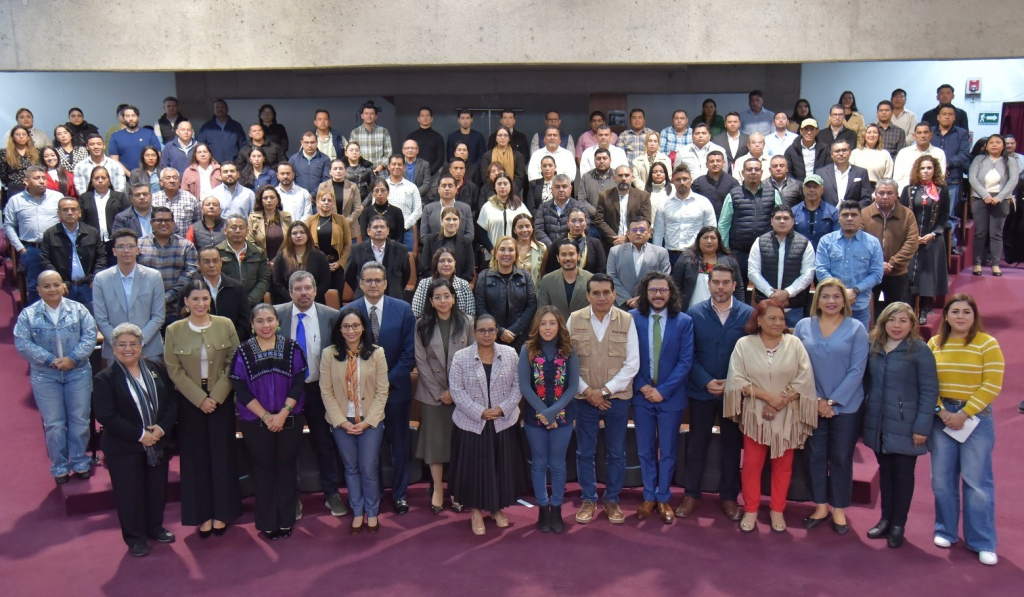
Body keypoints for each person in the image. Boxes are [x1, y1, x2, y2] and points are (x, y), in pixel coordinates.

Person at [725, 298, 817, 534]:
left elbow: (804, 378)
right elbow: (737, 380)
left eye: (781, 319)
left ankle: (777, 510)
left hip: (787, 414)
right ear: (759, 321)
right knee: (751, 466)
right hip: (755, 415)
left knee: (783, 467)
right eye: (772, 318)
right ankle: (751, 510)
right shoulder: (744, 344)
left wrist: (778, 403)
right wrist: (767, 397)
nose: (778, 323)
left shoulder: (794, 343)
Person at [928, 294, 1003, 566]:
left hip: (976, 419)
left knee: (976, 481)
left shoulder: (987, 344)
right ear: (946, 316)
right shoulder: (934, 344)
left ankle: (982, 541)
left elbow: (992, 384)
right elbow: (927, 383)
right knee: (941, 479)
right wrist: (941, 411)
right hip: (942, 417)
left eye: (966, 312)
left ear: (974, 316)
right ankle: (945, 530)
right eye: (955, 311)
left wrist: (964, 413)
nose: (960, 316)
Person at [92, 322, 178, 557]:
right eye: (122, 345)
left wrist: (161, 428)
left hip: (158, 442)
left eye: (133, 344)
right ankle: (135, 538)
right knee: (129, 496)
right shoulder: (104, 378)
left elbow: (172, 400)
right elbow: (106, 416)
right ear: (113, 347)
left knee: (156, 490)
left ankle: (155, 527)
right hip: (125, 447)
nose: (128, 349)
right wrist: (141, 435)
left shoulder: (156, 367)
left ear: (142, 346)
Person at [163, 280, 242, 538]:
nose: (200, 304)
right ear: (186, 301)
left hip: (221, 399)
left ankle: (223, 513)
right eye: (195, 299)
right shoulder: (174, 330)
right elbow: (174, 370)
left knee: (222, 456)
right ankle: (201, 515)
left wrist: (216, 396)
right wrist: (199, 399)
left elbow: (234, 361)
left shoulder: (225, 324)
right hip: (190, 402)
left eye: (205, 298)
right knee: (195, 459)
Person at [793, 278, 869, 534]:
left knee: (840, 457)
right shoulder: (803, 326)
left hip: (846, 406)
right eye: (825, 296)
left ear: (844, 301)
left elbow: (857, 370)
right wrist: (817, 400)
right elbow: (798, 366)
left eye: (837, 296)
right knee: (815, 456)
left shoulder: (857, 328)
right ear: (817, 300)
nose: (831, 301)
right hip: (812, 403)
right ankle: (821, 506)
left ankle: (839, 508)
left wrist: (832, 402)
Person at [679, 264, 753, 520]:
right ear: (708, 284)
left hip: (734, 394)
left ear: (734, 285)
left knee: (731, 447)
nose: (720, 287)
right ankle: (691, 494)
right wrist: (705, 380)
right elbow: (688, 353)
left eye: (726, 282)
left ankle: (729, 497)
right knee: (696, 445)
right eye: (716, 282)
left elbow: (751, 355)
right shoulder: (694, 313)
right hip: (701, 391)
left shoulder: (748, 314)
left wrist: (732, 382)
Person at [863, 302, 938, 548]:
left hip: (908, 426)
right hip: (879, 424)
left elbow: (929, 391)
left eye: (903, 321)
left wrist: (922, 427)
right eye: (892, 320)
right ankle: (885, 519)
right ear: (883, 322)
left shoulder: (919, 350)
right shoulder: (874, 346)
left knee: (903, 476)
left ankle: (898, 524)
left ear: (912, 324)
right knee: (885, 474)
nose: (897, 325)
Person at [229, 303, 306, 540]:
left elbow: (299, 382)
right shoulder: (242, 352)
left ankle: (286, 520)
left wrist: (282, 414)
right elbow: (240, 388)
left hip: (289, 418)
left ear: (277, 322)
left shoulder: (292, 348)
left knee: (286, 468)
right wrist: (265, 416)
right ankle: (268, 521)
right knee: (263, 470)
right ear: (252, 325)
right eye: (260, 321)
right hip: (256, 420)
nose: (266, 325)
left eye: (270, 320)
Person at [568, 274, 639, 525]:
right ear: (588, 296)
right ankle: (588, 499)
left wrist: (604, 392)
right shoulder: (574, 319)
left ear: (614, 294)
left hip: (616, 399)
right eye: (596, 293)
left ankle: (611, 500)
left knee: (616, 452)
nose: (601, 297)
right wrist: (589, 392)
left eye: (606, 292)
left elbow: (632, 364)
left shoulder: (627, 320)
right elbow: (567, 361)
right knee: (584, 452)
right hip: (583, 398)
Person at [14, 270, 97, 483]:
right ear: (38, 289)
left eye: (56, 284)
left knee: (80, 419)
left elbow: (90, 336)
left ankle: (80, 461)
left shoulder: (78, 309)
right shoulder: (28, 315)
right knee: (54, 423)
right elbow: (22, 343)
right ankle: (59, 466)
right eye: (47, 286)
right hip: (45, 376)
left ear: (63, 286)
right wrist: (51, 360)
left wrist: (73, 358)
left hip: (77, 372)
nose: (52, 289)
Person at [275, 271, 346, 517]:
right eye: (298, 289)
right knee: (289, 447)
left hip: (319, 390)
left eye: (308, 288)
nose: (303, 293)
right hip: (286, 393)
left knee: (324, 444)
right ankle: (292, 497)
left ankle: (332, 494)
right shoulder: (276, 315)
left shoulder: (332, 316)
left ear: (315, 290)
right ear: (290, 292)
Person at [350, 262, 417, 515]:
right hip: (363, 394)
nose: (373, 285)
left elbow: (410, 352)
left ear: (386, 283)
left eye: (378, 280)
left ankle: (400, 495)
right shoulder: (348, 312)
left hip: (396, 390)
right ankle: (374, 493)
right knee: (371, 448)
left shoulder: (403, 309)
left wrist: (386, 382)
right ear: (360, 283)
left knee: (399, 445)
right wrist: (370, 386)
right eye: (368, 280)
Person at [630, 273, 693, 524]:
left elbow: (685, 361)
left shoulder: (684, 321)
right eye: (653, 290)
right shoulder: (632, 319)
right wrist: (643, 386)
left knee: (667, 450)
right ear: (645, 293)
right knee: (645, 450)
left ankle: (664, 497)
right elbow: (626, 357)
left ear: (671, 292)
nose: (658, 295)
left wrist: (663, 391)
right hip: (642, 396)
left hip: (671, 398)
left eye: (663, 290)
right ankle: (649, 496)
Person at [319, 307, 389, 533]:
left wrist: (368, 422)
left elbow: (382, 391)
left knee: (368, 468)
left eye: (355, 326)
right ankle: (357, 511)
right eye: (346, 326)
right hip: (342, 421)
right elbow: (326, 391)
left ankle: (372, 511)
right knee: (351, 468)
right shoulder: (329, 354)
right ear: (339, 329)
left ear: (363, 328)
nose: (351, 330)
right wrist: (342, 422)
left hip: (370, 420)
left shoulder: (377, 353)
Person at [414, 278, 475, 514]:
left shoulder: (466, 322)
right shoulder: (421, 324)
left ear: (454, 298)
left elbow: (472, 358)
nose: (443, 301)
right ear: (431, 301)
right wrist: (440, 392)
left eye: (446, 296)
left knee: (459, 444)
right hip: (433, 395)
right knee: (435, 444)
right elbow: (421, 361)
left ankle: (457, 489)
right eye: (437, 297)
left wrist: (455, 391)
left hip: (461, 394)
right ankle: (438, 489)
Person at [518, 306, 579, 533]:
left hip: (563, 417)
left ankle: (557, 509)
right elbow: (525, 386)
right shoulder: (527, 349)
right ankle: (543, 509)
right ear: (537, 326)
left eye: (552, 323)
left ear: (559, 325)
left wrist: (552, 412)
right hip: (535, 417)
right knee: (539, 463)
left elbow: (573, 386)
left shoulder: (569, 349)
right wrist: (544, 413)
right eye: (543, 323)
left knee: (558, 464)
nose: (547, 328)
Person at [93, 228, 165, 359]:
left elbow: (158, 316)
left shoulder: (154, 276)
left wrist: (138, 343)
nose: (126, 250)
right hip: (115, 351)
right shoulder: (101, 279)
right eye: (121, 246)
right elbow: (101, 320)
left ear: (137, 250)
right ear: (114, 251)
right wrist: (121, 345)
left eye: (131, 246)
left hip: (149, 350)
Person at [815, 201, 885, 328]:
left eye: (854, 215)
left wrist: (855, 290)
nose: (849, 218)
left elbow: (876, 274)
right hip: (831, 306)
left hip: (859, 307)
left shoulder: (873, 243)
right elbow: (821, 270)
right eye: (845, 215)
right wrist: (840, 292)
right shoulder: (826, 241)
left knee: (859, 340)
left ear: (861, 218)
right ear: (838, 218)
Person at [3, 167, 65, 304]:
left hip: (56, 248)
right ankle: (37, 316)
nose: (41, 181)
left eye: (43, 178)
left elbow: (67, 220)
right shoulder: (15, 200)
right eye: (36, 178)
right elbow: (8, 225)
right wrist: (20, 248)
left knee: (59, 284)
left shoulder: (57, 197)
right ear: (26, 181)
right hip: (31, 249)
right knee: (34, 287)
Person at [747, 205, 815, 328]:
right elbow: (753, 272)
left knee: (793, 339)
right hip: (765, 306)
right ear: (771, 221)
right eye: (778, 218)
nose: (782, 221)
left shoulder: (805, 243)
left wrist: (787, 293)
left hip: (793, 308)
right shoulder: (759, 242)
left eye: (786, 218)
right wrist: (772, 295)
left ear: (793, 221)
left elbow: (808, 274)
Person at [718, 158, 781, 289]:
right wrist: (725, 251)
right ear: (743, 173)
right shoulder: (733, 194)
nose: (753, 172)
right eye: (749, 169)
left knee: (767, 290)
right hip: (739, 253)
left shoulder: (773, 193)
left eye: (756, 169)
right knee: (737, 289)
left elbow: (781, 220)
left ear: (762, 172)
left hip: (766, 252)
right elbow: (724, 224)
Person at [861, 179, 920, 318]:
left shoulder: (907, 214)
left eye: (889, 193)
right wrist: (877, 265)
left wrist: (892, 263)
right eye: (881, 193)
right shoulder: (864, 214)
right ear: (875, 194)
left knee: (897, 313)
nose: (885, 196)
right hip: (869, 273)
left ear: (897, 195)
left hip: (897, 273)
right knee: (869, 314)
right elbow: (860, 242)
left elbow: (911, 243)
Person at [901, 155, 950, 322]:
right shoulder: (908, 190)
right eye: (922, 168)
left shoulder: (942, 190)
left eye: (929, 168)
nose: (926, 171)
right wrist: (913, 235)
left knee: (928, 273)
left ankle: (924, 309)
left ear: (934, 170)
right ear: (917, 170)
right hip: (911, 237)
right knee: (910, 272)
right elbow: (902, 214)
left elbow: (944, 216)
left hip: (932, 238)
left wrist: (934, 233)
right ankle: (907, 308)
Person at [39, 197, 105, 312]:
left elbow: (101, 256)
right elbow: (45, 260)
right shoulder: (50, 234)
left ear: (79, 213)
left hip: (88, 286)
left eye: (73, 209)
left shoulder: (92, 232)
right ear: (59, 214)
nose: (70, 213)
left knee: (92, 319)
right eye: (65, 210)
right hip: (64, 288)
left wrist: (96, 277)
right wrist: (58, 282)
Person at [137, 207, 199, 328]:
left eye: (167, 220)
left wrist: (165, 298)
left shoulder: (186, 246)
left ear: (173, 222)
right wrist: (152, 300)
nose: (163, 223)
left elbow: (190, 275)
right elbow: (135, 275)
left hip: (177, 310)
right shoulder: (139, 245)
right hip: (144, 309)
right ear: (152, 222)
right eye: (159, 220)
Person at [474, 236, 538, 353]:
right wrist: (499, 331)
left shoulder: (525, 276)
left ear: (516, 254)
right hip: (492, 338)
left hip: (521, 338)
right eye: (502, 249)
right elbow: (480, 307)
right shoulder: (484, 276)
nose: (506, 253)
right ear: (495, 254)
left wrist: (514, 330)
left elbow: (531, 305)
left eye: (511, 250)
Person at [968, 134, 1020, 276]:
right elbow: (972, 178)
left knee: (996, 234)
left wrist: (999, 197)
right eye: (991, 142)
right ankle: (977, 263)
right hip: (980, 199)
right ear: (986, 146)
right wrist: (985, 196)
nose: (994, 145)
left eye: (998, 142)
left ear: (1003, 145)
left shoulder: (1010, 161)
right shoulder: (979, 159)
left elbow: (1013, 180)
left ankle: (995, 264)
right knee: (980, 233)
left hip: (1001, 200)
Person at [654, 164, 716, 264]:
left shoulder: (704, 203)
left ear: (691, 180)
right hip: (671, 255)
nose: (682, 182)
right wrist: (656, 257)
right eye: (678, 180)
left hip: (696, 254)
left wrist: (709, 256)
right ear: (673, 181)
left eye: (685, 179)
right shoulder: (664, 204)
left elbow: (711, 231)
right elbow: (658, 233)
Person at [607, 214, 670, 308]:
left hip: (650, 304)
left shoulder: (661, 253)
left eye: (642, 230)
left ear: (649, 232)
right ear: (628, 233)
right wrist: (627, 299)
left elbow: (664, 279)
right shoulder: (615, 251)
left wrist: (642, 298)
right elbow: (611, 277)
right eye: (634, 230)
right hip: (621, 304)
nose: (638, 233)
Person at [672, 226, 744, 309]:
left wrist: (739, 309)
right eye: (705, 238)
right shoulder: (686, 258)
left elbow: (739, 287)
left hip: (722, 311)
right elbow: (675, 285)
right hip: (691, 310)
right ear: (698, 240)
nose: (709, 241)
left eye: (713, 238)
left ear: (718, 241)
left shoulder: (729, 261)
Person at [346, 214, 411, 301]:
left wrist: (395, 288)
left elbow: (406, 275)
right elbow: (349, 275)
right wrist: (360, 288)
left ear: (388, 231)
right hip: (364, 297)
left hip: (393, 297)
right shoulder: (356, 249)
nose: (379, 230)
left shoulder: (401, 250)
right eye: (375, 227)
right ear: (368, 231)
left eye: (382, 227)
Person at [194, 244, 249, 341]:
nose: (211, 265)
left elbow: (244, 320)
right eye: (206, 261)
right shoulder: (191, 290)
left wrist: (232, 340)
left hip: (232, 342)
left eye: (215, 261)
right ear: (198, 264)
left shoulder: (236, 288)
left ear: (221, 262)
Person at [216, 215, 272, 306]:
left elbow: (264, 279)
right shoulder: (217, 252)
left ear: (247, 231)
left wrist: (249, 301)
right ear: (225, 231)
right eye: (233, 227)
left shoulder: (258, 252)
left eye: (241, 228)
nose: (238, 231)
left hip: (253, 304)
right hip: (225, 302)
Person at [307, 189, 353, 298]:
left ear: (333, 203)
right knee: (318, 297)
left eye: (329, 200)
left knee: (336, 298)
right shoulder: (310, 221)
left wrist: (339, 263)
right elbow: (307, 245)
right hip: (318, 265)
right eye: (323, 200)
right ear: (317, 202)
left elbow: (348, 244)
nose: (326, 202)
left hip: (337, 265)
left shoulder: (341, 220)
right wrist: (322, 264)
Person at [595, 165, 652, 252]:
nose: (623, 178)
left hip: (636, 244)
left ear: (632, 178)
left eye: (627, 175)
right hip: (611, 244)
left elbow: (646, 221)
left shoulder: (643, 196)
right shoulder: (604, 196)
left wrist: (628, 237)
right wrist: (616, 239)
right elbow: (599, 220)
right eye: (620, 175)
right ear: (614, 178)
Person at [271, 221, 330, 304]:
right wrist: (293, 298)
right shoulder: (281, 256)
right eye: (294, 233)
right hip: (288, 302)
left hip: (315, 302)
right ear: (289, 236)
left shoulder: (319, 256)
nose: (298, 236)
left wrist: (310, 298)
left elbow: (325, 282)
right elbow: (277, 282)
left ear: (308, 235)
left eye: (302, 232)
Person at [537, 237, 593, 320]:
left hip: (584, 326)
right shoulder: (547, 280)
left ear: (578, 256)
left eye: (571, 254)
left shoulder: (591, 279)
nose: (568, 258)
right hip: (557, 327)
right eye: (563, 255)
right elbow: (542, 311)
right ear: (558, 258)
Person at [80, 165, 131, 256]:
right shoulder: (84, 198)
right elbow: (81, 221)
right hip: (92, 243)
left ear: (109, 180)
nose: (100, 181)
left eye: (103, 178)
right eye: (96, 178)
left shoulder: (120, 197)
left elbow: (128, 218)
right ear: (91, 181)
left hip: (115, 242)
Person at [411, 246, 475, 317]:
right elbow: (415, 313)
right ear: (436, 264)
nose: (446, 264)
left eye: (450, 261)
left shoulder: (464, 285)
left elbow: (470, 315)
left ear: (455, 263)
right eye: (442, 261)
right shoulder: (424, 284)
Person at [477, 173, 531, 255]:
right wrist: (492, 250)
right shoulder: (487, 207)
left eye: (505, 184)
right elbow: (481, 232)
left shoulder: (520, 206)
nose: (502, 187)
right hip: (493, 254)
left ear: (510, 186)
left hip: (516, 254)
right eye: (499, 184)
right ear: (494, 187)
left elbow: (529, 228)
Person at [418, 205, 475, 282]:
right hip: (434, 284)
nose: (451, 222)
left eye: (455, 219)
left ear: (459, 222)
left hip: (459, 285)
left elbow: (469, 270)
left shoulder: (466, 242)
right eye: (448, 219)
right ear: (442, 221)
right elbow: (425, 266)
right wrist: (438, 283)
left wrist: (457, 284)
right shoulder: (430, 240)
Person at [316, 158, 363, 241]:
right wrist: (333, 222)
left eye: (341, 168)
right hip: (329, 228)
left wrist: (344, 222)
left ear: (345, 171)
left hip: (349, 229)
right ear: (330, 172)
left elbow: (357, 209)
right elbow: (319, 207)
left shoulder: (353, 186)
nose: (338, 171)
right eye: (335, 169)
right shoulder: (323, 186)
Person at [383, 154, 423, 250]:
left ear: (404, 167)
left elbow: (418, 210)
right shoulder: (382, 186)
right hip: (385, 232)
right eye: (394, 164)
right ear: (388, 167)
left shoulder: (412, 187)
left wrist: (404, 226)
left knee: (407, 258)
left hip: (406, 231)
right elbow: (374, 206)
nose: (396, 167)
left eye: (399, 164)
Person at [816, 140, 872, 206]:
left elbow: (866, 198)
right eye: (837, 151)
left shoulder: (861, 172)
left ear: (850, 152)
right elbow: (816, 196)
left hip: (853, 211)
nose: (841, 154)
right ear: (831, 154)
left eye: (844, 150)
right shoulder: (821, 173)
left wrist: (854, 209)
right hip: (827, 212)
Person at [893, 123, 947, 192]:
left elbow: (940, 177)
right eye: (919, 133)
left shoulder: (939, 153)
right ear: (914, 136)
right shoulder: (903, 152)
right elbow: (897, 178)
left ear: (931, 135)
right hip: (905, 193)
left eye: (925, 132)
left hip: (931, 194)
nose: (922, 136)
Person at [108, 106, 162, 173]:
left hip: (149, 175)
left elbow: (158, 155)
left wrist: (148, 173)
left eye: (133, 115)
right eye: (127, 116)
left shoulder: (149, 134)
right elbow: (114, 160)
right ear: (123, 118)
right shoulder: (115, 136)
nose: (131, 119)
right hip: (124, 176)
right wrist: (130, 175)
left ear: (138, 117)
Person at [792, 174, 840, 249]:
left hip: (825, 253)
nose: (812, 190)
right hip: (800, 254)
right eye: (808, 186)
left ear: (822, 190)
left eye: (815, 187)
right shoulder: (793, 212)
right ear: (803, 189)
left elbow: (836, 239)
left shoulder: (833, 212)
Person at [247, 185, 292, 263]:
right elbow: (250, 242)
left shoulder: (286, 217)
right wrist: (264, 260)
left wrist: (276, 261)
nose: (269, 200)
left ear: (277, 200)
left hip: (283, 261)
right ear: (261, 201)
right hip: (259, 261)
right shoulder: (253, 217)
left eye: (272, 197)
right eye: (265, 198)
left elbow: (290, 241)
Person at [152, 167, 201, 235]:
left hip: (185, 240)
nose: (172, 181)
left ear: (180, 181)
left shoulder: (190, 199)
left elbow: (198, 223)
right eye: (168, 178)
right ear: (161, 182)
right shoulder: (153, 199)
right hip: (159, 240)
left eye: (175, 178)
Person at [479, 127, 527, 196]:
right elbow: (485, 176)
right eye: (500, 135)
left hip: (513, 192)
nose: (502, 138)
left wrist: (509, 188)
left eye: (505, 135)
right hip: (492, 192)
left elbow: (520, 177)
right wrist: (496, 189)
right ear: (496, 138)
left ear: (509, 138)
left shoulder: (518, 156)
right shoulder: (487, 156)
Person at [197, 99, 246, 165]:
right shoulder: (206, 127)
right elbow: (201, 146)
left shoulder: (236, 126)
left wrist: (238, 161)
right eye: (217, 107)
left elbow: (243, 146)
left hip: (233, 165)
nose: (220, 109)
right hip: (213, 165)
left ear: (227, 109)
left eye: (222, 107)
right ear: (214, 110)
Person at [348, 101, 392, 174]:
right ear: (362, 116)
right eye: (366, 113)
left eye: (371, 113)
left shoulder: (383, 131)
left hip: (380, 173)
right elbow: (351, 153)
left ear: (376, 116)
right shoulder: (355, 133)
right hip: (360, 172)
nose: (369, 116)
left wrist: (378, 170)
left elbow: (388, 154)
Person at [690, 150, 738, 217]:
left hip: (727, 220)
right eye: (712, 161)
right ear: (706, 164)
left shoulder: (732, 182)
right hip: (704, 219)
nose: (715, 164)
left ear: (723, 163)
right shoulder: (698, 183)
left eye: (718, 161)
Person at [359, 178, 406, 242]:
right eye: (376, 191)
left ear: (388, 192)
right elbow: (364, 236)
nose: (380, 194)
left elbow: (400, 237)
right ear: (372, 194)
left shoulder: (397, 212)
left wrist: (390, 247)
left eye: (383, 190)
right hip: (371, 246)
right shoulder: (366, 212)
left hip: (392, 246)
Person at [288, 131, 331, 197]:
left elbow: (326, 180)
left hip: (319, 197)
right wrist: (303, 194)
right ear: (302, 143)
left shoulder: (325, 159)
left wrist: (313, 195)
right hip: (298, 197)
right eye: (306, 142)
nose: (309, 145)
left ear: (317, 142)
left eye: (312, 142)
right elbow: (290, 179)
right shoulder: (293, 159)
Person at [407, 106, 447, 175]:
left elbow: (440, 160)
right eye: (422, 115)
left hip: (433, 175)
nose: (425, 118)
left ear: (431, 119)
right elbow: (407, 156)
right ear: (418, 119)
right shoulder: (411, 137)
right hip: (414, 174)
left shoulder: (438, 137)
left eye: (427, 115)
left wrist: (429, 172)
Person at [512, 212, 546, 287]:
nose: (524, 230)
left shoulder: (541, 248)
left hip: (534, 291)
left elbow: (542, 274)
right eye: (520, 227)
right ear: (514, 230)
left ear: (532, 228)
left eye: (527, 226)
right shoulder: (509, 248)